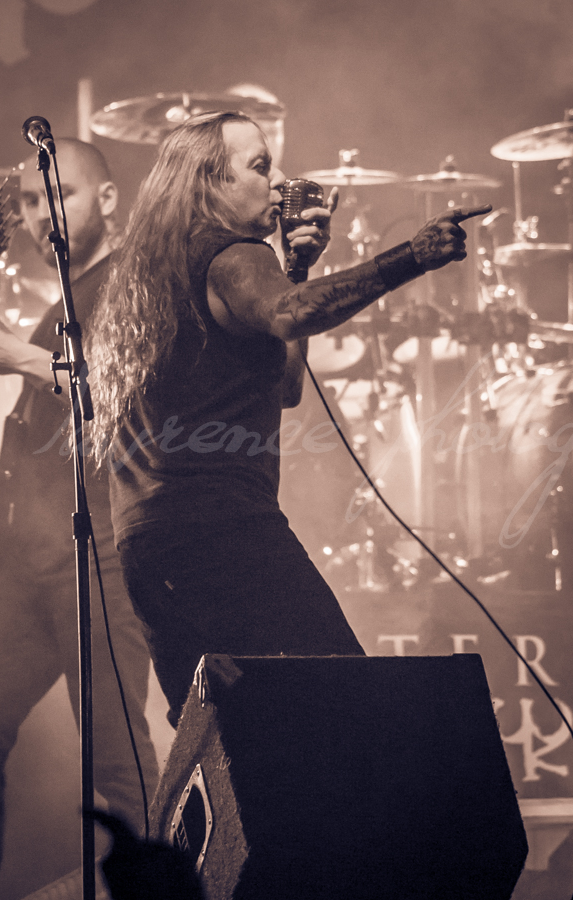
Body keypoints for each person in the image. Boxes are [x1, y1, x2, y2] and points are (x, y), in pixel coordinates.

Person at [86, 110, 490, 729]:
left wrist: (295, 270)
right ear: (211, 182)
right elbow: (292, 313)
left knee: (230, 732)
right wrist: (413, 255)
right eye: (260, 166)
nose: (279, 182)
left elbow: (287, 388)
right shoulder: (229, 251)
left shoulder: (155, 271)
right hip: (222, 531)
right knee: (344, 699)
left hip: (148, 549)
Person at [0, 138, 160, 900]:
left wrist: (20, 358)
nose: (38, 214)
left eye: (58, 195)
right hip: (29, 559)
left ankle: (166, 888)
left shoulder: (133, 284)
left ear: (107, 200)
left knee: (119, 759)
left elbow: (122, 391)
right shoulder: (62, 302)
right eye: (26, 202)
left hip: (99, 554)